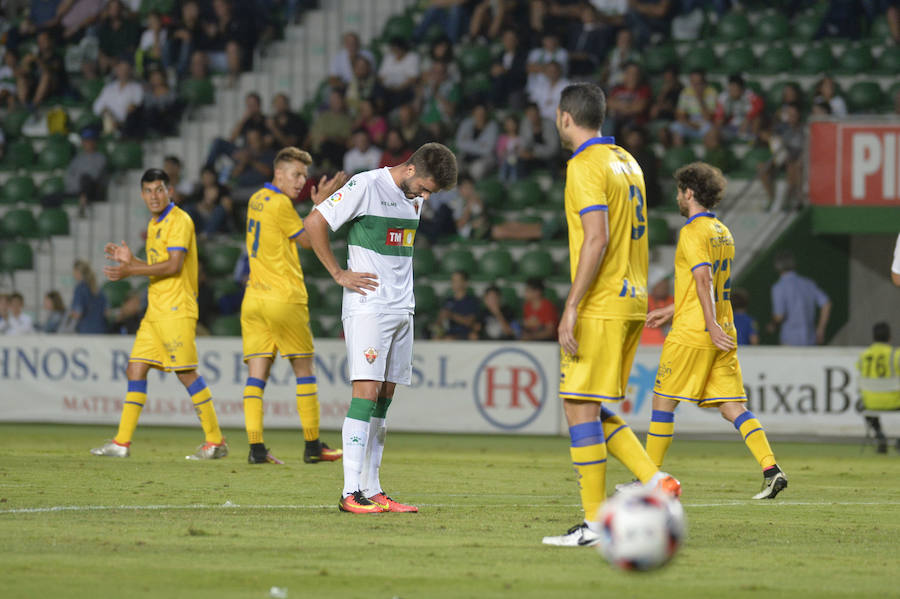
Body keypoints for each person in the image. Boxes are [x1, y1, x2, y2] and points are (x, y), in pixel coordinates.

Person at [542, 83, 679, 548]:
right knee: (589, 405)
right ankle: (655, 482)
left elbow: (596, 238)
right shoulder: (628, 161)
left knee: (577, 405)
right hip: (633, 300)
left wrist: (572, 304)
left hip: (601, 303)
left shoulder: (584, 164)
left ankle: (596, 524)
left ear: (565, 117)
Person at [303, 142, 458, 513]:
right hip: (369, 306)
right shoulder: (367, 185)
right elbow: (314, 223)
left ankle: (372, 489)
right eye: (423, 188)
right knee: (366, 391)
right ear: (409, 170)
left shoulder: (415, 194)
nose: (424, 196)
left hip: (402, 307)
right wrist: (339, 273)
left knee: (384, 399)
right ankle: (349, 492)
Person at [644, 162, 787, 500]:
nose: (678, 197)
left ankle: (646, 478)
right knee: (732, 406)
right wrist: (671, 308)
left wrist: (705, 324)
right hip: (724, 328)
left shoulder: (692, 232)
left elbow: (704, 279)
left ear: (689, 193)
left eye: (680, 192)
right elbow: (709, 286)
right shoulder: (723, 231)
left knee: (662, 402)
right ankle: (771, 469)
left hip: (696, 331)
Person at [90, 169, 227, 460]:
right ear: (142, 195)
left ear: (170, 191)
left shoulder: (180, 220)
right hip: (155, 311)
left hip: (177, 309)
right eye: (148, 191)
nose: (154, 196)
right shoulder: (155, 224)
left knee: (186, 374)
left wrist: (131, 270)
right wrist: (133, 261)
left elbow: (173, 266)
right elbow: (157, 267)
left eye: (159, 190)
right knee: (136, 368)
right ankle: (121, 443)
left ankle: (215, 441)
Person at [240, 147, 347, 465]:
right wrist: (322, 205)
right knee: (304, 372)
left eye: (304, 175)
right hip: (283, 298)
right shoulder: (281, 204)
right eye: (296, 174)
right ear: (278, 173)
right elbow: (307, 239)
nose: (302, 180)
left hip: (254, 299)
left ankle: (256, 448)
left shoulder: (257, 199)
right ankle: (313, 446)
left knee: (257, 375)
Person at [768, 251, 831, 346]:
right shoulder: (808, 283)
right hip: (810, 339)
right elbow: (826, 304)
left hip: (790, 340)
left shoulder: (779, 287)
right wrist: (820, 330)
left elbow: (779, 316)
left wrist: (772, 325)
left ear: (777, 267)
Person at [857, 322, 900, 454]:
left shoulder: (863, 356)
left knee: (859, 404)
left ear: (873, 337)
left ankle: (879, 434)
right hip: (894, 401)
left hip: (870, 403)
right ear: (889, 337)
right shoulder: (895, 354)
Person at [62, 127, 107, 216]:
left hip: (93, 191)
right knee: (50, 198)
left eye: (90, 140)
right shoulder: (78, 158)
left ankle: (83, 201)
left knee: (85, 178)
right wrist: (77, 188)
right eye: (86, 141)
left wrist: (80, 185)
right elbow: (68, 176)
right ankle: (82, 198)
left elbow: (94, 175)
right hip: (76, 190)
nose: (88, 143)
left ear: (95, 142)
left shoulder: (100, 158)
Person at [436, 270, 480, 340]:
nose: (454, 283)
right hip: (449, 334)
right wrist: (440, 320)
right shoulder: (448, 301)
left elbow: (469, 322)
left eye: (457, 280)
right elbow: (439, 322)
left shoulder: (472, 301)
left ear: (465, 283)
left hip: (465, 334)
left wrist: (451, 315)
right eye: (453, 280)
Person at [70, 260, 108, 334]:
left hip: (85, 331)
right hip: (101, 330)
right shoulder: (99, 290)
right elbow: (106, 312)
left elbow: (78, 313)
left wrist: (69, 315)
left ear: (77, 272)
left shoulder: (80, 289)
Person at [640, 273, 673, 345]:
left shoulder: (673, 300)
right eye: (661, 284)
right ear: (653, 285)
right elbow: (649, 320)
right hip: (648, 344)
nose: (664, 286)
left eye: (666, 283)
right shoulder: (645, 300)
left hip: (670, 343)